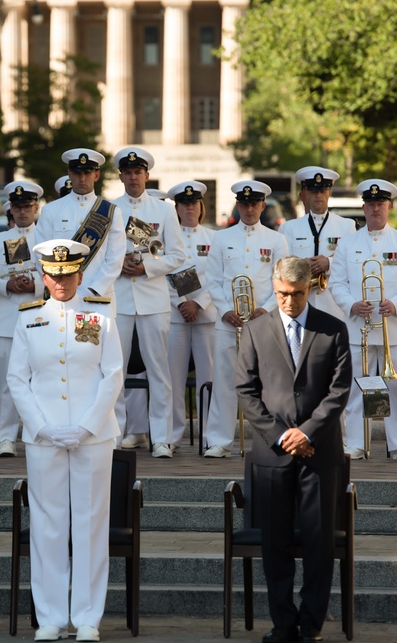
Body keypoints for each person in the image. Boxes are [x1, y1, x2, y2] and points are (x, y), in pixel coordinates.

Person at [7, 239, 124, 643]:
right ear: (44, 275)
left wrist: (88, 425)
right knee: (48, 526)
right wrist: (41, 427)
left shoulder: (101, 314)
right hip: (45, 438)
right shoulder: (28, 318)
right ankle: (52, 616)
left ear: (80, 274)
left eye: (69, 274)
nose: (61, 282)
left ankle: (88, 617)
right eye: (54, 276)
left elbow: (113, 374)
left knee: (91, 523)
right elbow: (16, 379)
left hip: (92, 436)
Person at [234, 255, 350, 643]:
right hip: (273, 453)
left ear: (310, 288)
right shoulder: (255, 330)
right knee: (276, 542)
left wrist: (309, 433)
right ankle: (283, 622)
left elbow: (339, 391)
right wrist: (281, 435)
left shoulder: (332, 329)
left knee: (319, 542)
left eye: (297, 294)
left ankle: (311, 624)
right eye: (282, 293)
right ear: (274, 284)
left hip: (319, 453)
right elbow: (246, 391)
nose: (288, 302)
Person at [328, 179, 397, 461]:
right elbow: (338, 283)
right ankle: (357, 442)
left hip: (395, 327)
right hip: (358, 327)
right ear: (363, 207)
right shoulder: (348, 244)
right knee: (358, 385)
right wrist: (350, 304)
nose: (375, 209)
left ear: (389, 206)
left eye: (380, 204)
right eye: (370, 205)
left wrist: (395, 303)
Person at [203, 181, 290, 458]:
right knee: (225, 381)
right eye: (245, 203)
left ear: (263, 205)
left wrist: (265, 309)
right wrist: (225, 310)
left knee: (267, 384)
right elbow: (213, 280)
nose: (250, 208)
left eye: (255, 204)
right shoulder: (221, 238)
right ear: (238, 205)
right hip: (229, 322)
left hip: (264, 323)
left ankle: (268, 439)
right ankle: (219, 440)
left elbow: (282, 280)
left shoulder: (276, 240)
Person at [109, 147, 185, 457]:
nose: (133, 177)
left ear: (147, 175)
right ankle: (115, 434)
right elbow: (98, 254)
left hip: (153, 300)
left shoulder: (164, 210)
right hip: (121, 299)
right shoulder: (109, 208)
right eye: (127, 173)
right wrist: (120, 266)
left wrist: (145, 267)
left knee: (159, 372)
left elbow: (178, 256)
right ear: (121, 176)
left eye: (137, 172)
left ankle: (162, 438)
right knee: (115, 370)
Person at [0, 181, 45, 457]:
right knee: (6, 382)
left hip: (40, 317)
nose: (23, 212)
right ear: (11, 210)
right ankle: (5, 438)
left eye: (27, 206)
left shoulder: (46, 237)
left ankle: (37, 432)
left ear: (36, 207)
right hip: (6, 320)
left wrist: (35, 285)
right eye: (17, 207)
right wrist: (5, 286)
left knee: (41, 380)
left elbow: (59, 272)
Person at [34, 148, 126, 316]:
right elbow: (40, 256)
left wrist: (91, 290)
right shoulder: (51, 210)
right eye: (77, 173)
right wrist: (59, 291)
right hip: (59, 299)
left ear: (96, 175)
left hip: (98, 298)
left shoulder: (111, 212)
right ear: (69, 174)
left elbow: (115, 259)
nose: (82, 179)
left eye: (87, 173)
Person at [164, 180, 216, 450]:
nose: (189, 208)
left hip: (206, 317)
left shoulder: (213, 238)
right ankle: (172, 437)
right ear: (176, 208)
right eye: (184, 203)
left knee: (208, 379)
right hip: (175, 316)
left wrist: (198, 303)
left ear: (200, 206)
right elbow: (163, 274)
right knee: (173, 379)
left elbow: (218, 278)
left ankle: (210, 436)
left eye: (194, 202)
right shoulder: (165, 239)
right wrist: (182, 304)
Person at [278, 166, 356, 319]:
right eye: (313, 191)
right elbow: (279, 266)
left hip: (334, 306)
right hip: (300, 305)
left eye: (322, 191)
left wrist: (329, 262)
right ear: (305, 194)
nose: (318, 195)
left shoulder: (347, 226)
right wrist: (302, 265)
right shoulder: (288, 228)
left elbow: (354, 261)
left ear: (330, 193)